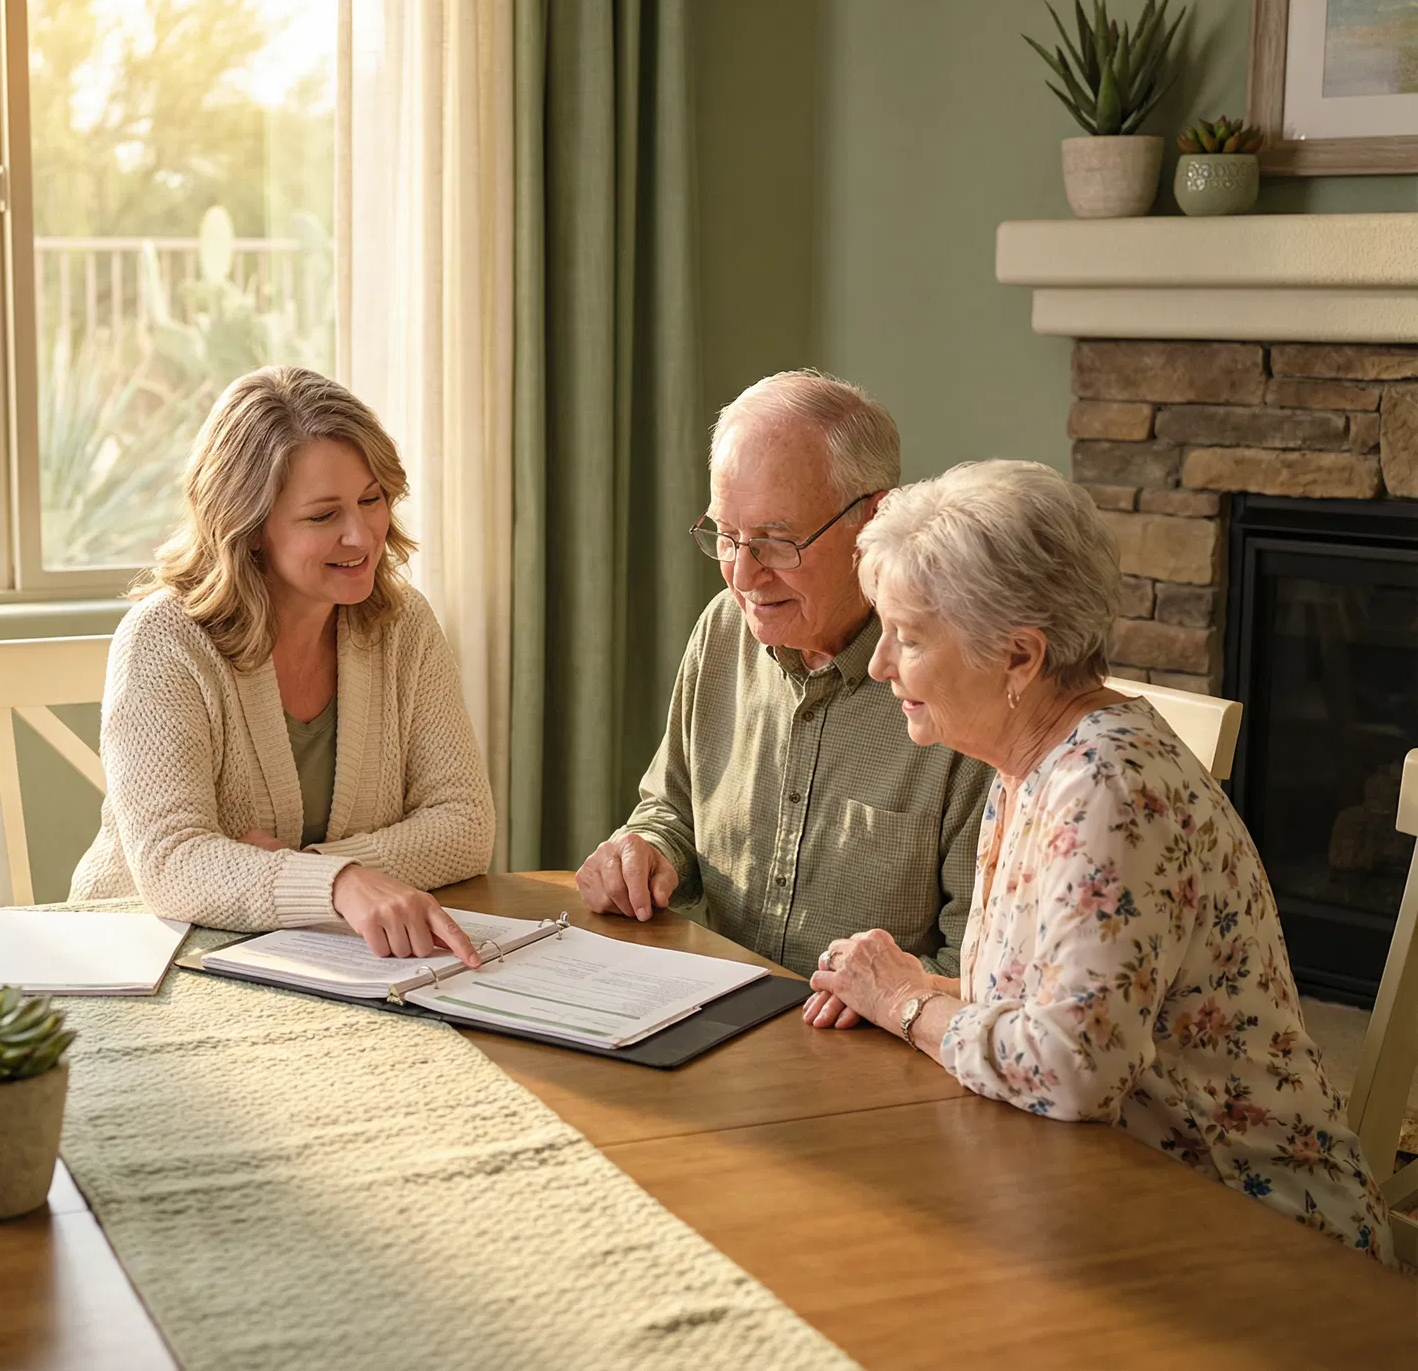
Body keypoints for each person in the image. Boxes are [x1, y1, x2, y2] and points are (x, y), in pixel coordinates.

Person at [808, 458, 1389, 1257]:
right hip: (1104, 1183)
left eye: (906, 638)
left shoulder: (1107, 788)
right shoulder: (1025, 764)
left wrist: (905, 1008)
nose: (879, 667)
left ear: (1019, 658)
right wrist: (912, 984)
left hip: (1255, 1234)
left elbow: (1071, 1067)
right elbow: (1050, 1006)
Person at [576, 372, 994, 991]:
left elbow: (973, 969)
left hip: (867, 1058)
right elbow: (672, 809)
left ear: (873, 519)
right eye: (725, 535)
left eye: (776, 541)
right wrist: (645, 850)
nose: (742, 575)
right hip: (711, 1017)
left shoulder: (958, 686)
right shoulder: (725, 629)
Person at [69, 365, 495, 965]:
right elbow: (170, 862)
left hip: (326, 961)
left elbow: (465, 826)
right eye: (323, 516)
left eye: (371, 500)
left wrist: (309, 874)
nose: (361, 536)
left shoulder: (404, 625)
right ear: (248, 526)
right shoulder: (164, 638)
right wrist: (342, 887)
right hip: (148, 963)